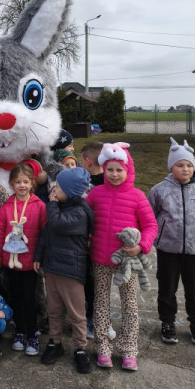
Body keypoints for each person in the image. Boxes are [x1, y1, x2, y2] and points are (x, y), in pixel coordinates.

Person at [86, 142, 158, 371]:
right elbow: (84, 220)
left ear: (128, 170)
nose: (115, 174)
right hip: (100, 259)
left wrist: (142, 247)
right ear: (103, 170)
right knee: (101, 304)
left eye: (119, 169)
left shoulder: (137, 197)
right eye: (110, 169)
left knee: (129, 306)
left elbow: (150, 226)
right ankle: (103, 348)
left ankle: (129, 350)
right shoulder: (96, 194)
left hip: (127, 263)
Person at [148, 138, 195, 345]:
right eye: (180, 165)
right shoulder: (159, 190)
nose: (185, 169)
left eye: (189, 165)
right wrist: (162, 233)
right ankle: (167, 322)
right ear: (171, 167)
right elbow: (152, 214)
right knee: (167, 287)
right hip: (168, 248)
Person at [34, 167, 93, 374]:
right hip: (52, 267)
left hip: (71, 270)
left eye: (58, 186)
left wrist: (51, 203)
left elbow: (57, 224)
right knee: (54, 308)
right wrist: (38, 256)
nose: (53, 189)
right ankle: (55, 342)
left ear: (71, 191)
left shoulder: (79, 212)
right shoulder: (59, 206)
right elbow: (46, 233)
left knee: (76, 313)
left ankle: (80, 348)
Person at [0, 163, 47, 356]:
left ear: (32, 183)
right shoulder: (6, 207)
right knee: (15, 298)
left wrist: (40, 258)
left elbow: (43, 236)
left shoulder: (39, 206)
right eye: (17, 182)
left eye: (25, 181)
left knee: (29, 299)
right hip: (10, 262)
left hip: (31, 263)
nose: (22, 185)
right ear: (11, 184)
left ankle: (32, 334)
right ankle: (20, 332)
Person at [79, 141, 116, 343]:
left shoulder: (87, 187)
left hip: (89, 245)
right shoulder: (114, 183)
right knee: (102, 286)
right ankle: (101, 320)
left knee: (91, 285)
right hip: (108, 245)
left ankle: (95, 322)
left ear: (87, 161)